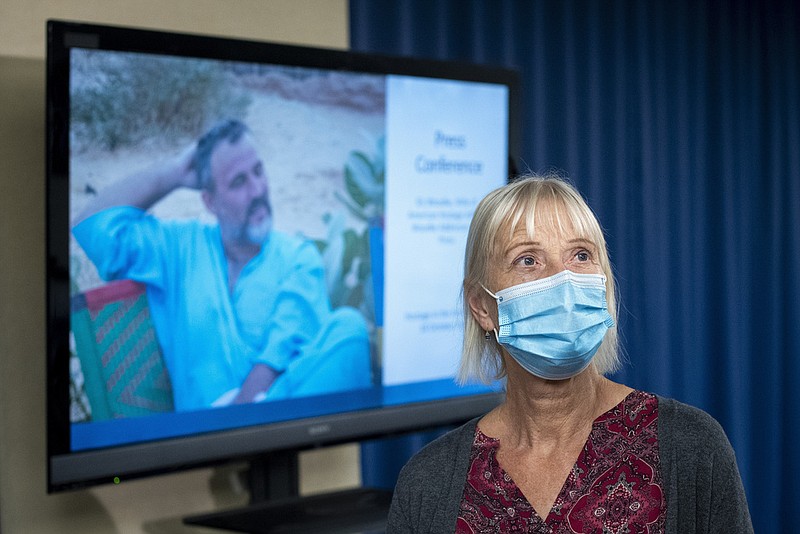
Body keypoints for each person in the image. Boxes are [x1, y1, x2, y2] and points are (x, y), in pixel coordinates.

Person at [387, 174, 753, 533]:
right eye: (528, 260)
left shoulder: (691, 446)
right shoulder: (428, 483)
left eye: (580, 255)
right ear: (481, 306)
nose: (564, 281)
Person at [72, 119, 371, 412]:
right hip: (202, 437)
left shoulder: (297, 258)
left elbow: (280, 356)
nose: (257, 190)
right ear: (210, 202)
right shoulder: (179, 247)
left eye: (258, 171)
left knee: (349, 328)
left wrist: (237, 426)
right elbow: (92, 228)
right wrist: (173, 174)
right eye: (239, 181)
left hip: (278, 420)